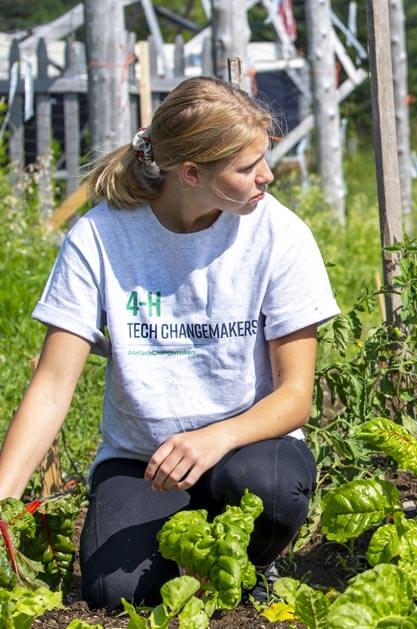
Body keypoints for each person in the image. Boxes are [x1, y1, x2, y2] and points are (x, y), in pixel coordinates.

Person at [0, 77, 340, 608]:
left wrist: (213, 439)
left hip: (246, 451)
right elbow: (52, 387)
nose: (267, 177)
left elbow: (295, 397)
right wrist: (3, 503)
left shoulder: (280, 235)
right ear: (191, 173)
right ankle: (178, 540)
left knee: (270, 492)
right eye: (248, 168)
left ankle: (253, 567)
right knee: (118, 596)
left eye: (263, 160)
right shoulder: (100, 237)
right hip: (143, 461)